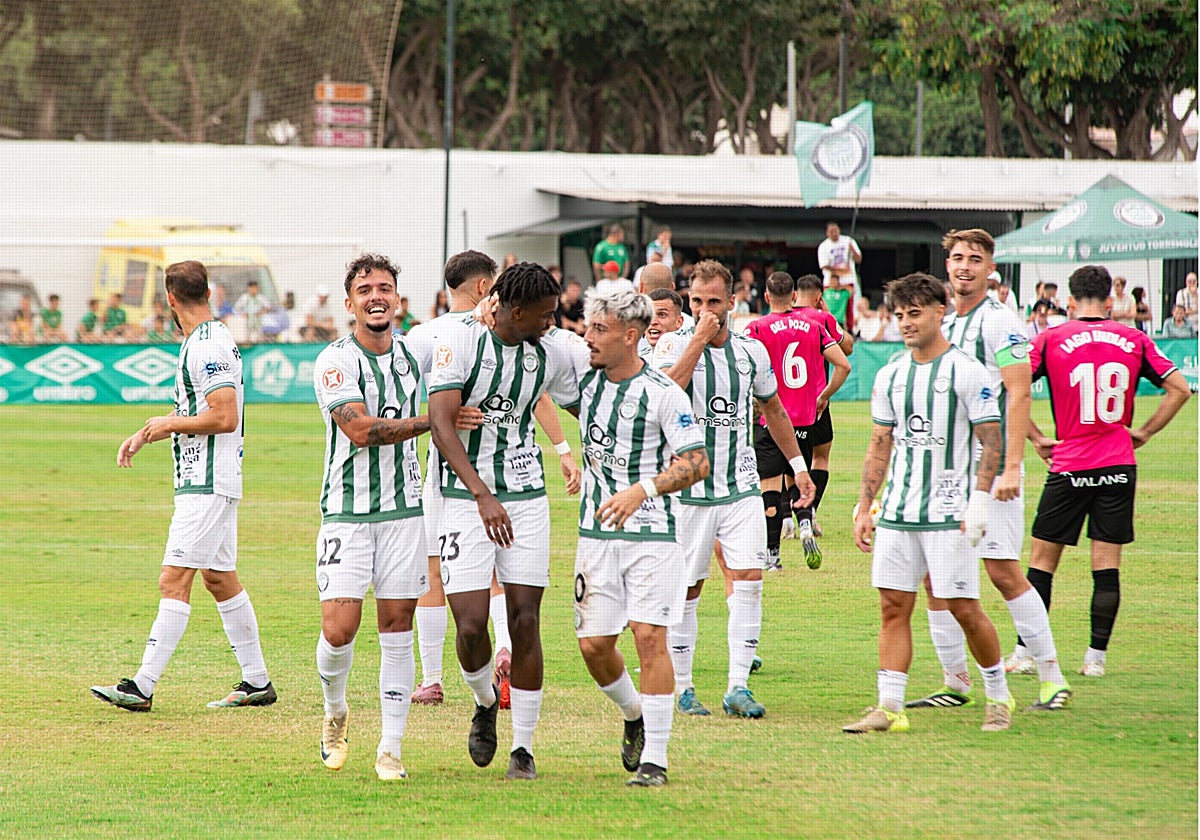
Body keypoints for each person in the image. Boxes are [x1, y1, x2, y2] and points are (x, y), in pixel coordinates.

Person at [92, 260, 274, 714]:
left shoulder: (207, 344)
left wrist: (165, 425)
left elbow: (224, 415)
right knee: (218, 578)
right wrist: (149, 432)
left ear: (169, 299)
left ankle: (142, 685)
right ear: (208, 291)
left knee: (173, 579)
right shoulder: (206, 339)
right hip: (210, 478)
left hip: (207, 482)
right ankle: (256, 681)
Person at [426, 262, 583, 781]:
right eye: (542, 315)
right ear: (513, 311)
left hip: (527, 497)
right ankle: (485, 699)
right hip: (463, 498)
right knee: (471, 626)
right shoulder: (462, 342)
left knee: (525, 618)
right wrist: (482, 495)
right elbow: (442, 425)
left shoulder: (551, 347)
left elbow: (592, 396)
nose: (551, 322)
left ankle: (524, 748)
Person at [843, 272, 1014, 734]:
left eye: (914, 313)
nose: (905, 323)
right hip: (899, 513)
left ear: (941, 311)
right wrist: (865, 505)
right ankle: (890, 707)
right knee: (893, 606)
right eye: (899, 315)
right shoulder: (890, 374)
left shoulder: (968, 371)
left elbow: (991, 442)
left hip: (948, 513)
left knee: (963, 607)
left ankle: (998, 695)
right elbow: (880, 443)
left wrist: (980, 501)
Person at [908, 229, 1068, 714]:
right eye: (957, 257)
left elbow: (1018, 392)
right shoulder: (939, 319)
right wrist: (1039, 437)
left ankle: (1051, 677)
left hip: (991, 469)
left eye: (974, 259)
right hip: (945, 472)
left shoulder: (1001, 322)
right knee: (937, 579)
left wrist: (1014, 463)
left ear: (989, 266)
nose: (964, 266)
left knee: (1001, 571)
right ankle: (955, 682)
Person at [312, 252, 454, 782]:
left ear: (397, 298)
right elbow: (360, 430)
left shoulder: (414, 355)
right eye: (366, 289)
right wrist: (433, 421)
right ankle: (336, 711)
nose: (376, 296)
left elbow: (456, 335)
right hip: (347, 512)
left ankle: (390, 748)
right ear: (350, 303)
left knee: (397, 626)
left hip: (403, 513)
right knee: (340, 630)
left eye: (385, 288)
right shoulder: (334, 360)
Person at [653, 259, 815, 719]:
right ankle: (683, 688)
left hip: (741, 486)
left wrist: (799, 468)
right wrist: (698, 340)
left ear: (732, 302)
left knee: (748, 579)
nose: (705, 310)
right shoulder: (670, 343)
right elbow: (665, 393)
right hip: (688, 490)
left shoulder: (751, 352)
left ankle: (737, 686)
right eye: (697, 302)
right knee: (688, 588)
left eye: (714, 302)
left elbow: (775, 410)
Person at [1024, 264, 1190, 678]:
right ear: (1111, 300)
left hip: (1069, 462)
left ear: (1070, 301)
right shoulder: (1134, 338)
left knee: (1043, 562)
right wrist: (1146, 432)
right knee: (1106, 564)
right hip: (1118, 462)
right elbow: (1181, 389)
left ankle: (1028, 653)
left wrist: (1035, 436)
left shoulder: (1050, 338)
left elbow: (1012, 387)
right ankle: (1095, 659)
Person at [574, 287, 710, 787]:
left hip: (654, 534)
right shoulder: (583, 383)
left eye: (600, 330)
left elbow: (697, 461)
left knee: (650, 637)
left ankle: (656, 757)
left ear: (630, 336)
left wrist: (644, 489)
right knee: (593, 646)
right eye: (589, 328)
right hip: (595, 536)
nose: (589, 337)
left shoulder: (663, 393)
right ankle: (633, 713)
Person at [746, 271, 850, 571]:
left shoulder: (756, 328)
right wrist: (824, 395)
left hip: (770, 418)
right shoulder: (814, 325)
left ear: (767, 297)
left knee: (769, 485)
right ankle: (804, 523)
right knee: (797, 478)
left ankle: (773, 556)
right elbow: (843, 364)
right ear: (794, 296)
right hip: (804, 420)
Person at [786, 274, 855, 539]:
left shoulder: (784, 318)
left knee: (787, 460)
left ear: (794, 295)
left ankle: (786, 518)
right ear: (819, 297)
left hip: (786, 403)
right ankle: (810, 512)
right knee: (820, 456)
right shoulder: (822, 318)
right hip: (817, 400)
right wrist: (830, 316)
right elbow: (847, 348)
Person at [640, 288, 684, 359]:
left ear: (679, 322)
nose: (653, 322)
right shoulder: (638, 360)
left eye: (662, 315)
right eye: (650, 315)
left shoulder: (696, 360)